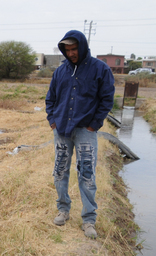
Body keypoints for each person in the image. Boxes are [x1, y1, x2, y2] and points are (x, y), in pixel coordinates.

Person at [46, 30, 115, 239]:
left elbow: (107, 99)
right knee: (60, 170)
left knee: (86, 173)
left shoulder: (100, 69)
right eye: (67, 50)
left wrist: (94, 124)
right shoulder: (60, 72)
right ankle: (63, 210)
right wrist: (52, 121)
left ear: (82, 47)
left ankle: (88, 219)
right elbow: (50, 98)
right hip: (61, 130)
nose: (71, 53)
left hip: (86, 130)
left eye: (74, 49)